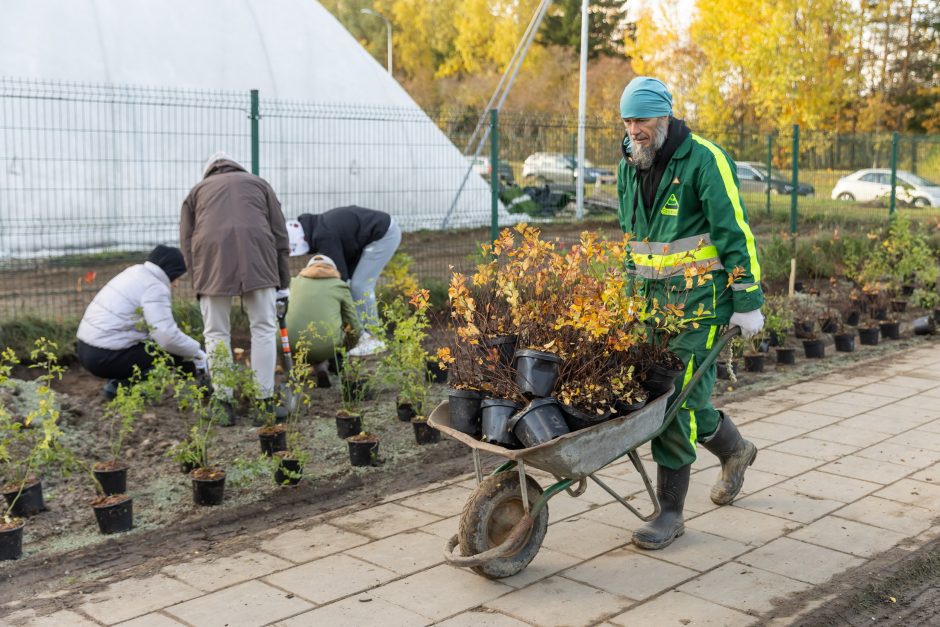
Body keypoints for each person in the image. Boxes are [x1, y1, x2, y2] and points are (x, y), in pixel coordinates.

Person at [617, 76, 764, 550]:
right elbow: (632, 242)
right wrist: (627, 299)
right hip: (653, 309)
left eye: (640, 119)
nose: (633, 129)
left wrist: (747, 300)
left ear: (663, 115)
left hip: (701, 307)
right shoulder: (629, 164)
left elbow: (735, 233)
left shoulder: (705, 159)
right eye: (626, 119)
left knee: (673, 405)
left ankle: (670, 514)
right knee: (691, 405)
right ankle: (736, 451)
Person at [180, 152, 291, 425]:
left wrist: (199, 281)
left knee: (216, 332)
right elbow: (280, 234)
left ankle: (223, 404)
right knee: (263, 327)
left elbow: (186, 240)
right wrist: (283, 283)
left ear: (208, 173)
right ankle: (264, 403)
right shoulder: (260, 184)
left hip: (211, 260)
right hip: (258, 257)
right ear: (237, 167)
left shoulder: (196, 191)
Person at [76, 245, 207, 399]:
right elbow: (167, 337)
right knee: (170, 354)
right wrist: (198, 353)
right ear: (169, 271)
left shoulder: (134, 272)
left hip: (86, 348)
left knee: (162, 347)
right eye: (177, 277)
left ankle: (119, 380)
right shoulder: (155, 287)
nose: (176, 283)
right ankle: (120, 387)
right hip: (104, 356)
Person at [289, 206, 401, 357]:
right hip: (365, 239)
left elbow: (339, 277)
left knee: (360, 286)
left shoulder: (323, 236)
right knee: (354, 284)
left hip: (384, 235)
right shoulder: (317, 226)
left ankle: (373, 338)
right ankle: (359, 334)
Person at [284, 254, 361, 387]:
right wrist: (344, 348)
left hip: (290, 344)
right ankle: (328, 363)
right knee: (327, 334)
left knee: (304, 330)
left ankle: (292, 376)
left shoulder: (292, 283)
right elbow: (354, 325)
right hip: (326, 345)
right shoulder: (340, 286)